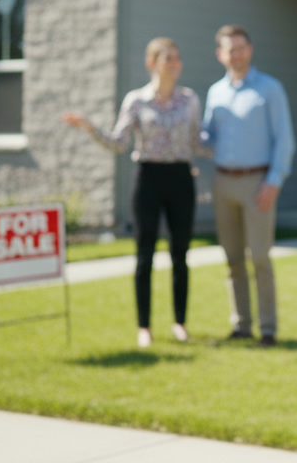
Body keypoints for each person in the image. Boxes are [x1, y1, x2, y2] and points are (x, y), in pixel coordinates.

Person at [62, 37, 206, 348]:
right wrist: (89, 127)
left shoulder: (190, 99)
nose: (175, 64)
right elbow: (118, 143)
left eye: (178, 58)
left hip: (181, 177)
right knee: (145, 256)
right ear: (152, 63)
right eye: (169, 58)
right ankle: (144, 327)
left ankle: (180, 323)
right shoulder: (136, 101)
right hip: (148, 179)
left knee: (181, 254)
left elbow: (198, 142)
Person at [202, 25, 295, 348]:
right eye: (230, 49)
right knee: (232, 258)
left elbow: (284, 140)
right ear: (220, 55)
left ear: (249, 50)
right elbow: (208, 138)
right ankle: (241, 325)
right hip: (223, 182)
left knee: (259, 257)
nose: (236, 54)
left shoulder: (269, 89)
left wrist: (273, 182)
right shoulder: (215, 93)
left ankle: (267, 330)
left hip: (258, 183)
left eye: (241, 48)